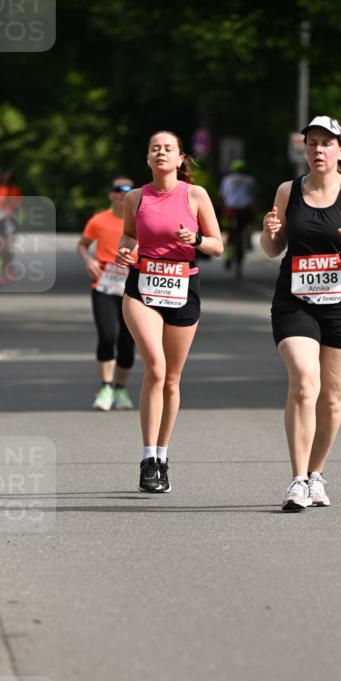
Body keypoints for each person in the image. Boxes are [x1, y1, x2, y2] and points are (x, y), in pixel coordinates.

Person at [261, 115, 341, 512]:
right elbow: (273, 249)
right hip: (295, 301)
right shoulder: (288, 190)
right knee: (304, 379)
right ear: (305, 149)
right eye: (312, 142)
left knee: (331, 399)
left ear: (340, 150)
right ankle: (298, 480)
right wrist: (269, 232)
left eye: (327, 143)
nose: (319, 150)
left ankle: (316, 474)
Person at [115, 130, 223, 493]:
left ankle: (162, 456)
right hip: (143, 288)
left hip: (183, 287)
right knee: (156, 368)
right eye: (154, 149)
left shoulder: (195, 195)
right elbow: (129, 236)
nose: (161, 153)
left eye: (168, 149)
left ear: (179, 159)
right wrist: (125, 251)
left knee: (172, 379)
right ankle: (147, 458)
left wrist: (196, 240)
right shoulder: (135, 197)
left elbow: (218, 245)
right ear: (148, 158)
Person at [77, 177, 137, 411]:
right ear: (111, 195)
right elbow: (82, 245)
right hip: (104, 286)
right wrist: (88, 260)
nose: (123, 194)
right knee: (107, 336)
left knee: (127, 341)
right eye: (118, 190)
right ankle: (105, 388)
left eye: (128, 191)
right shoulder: (99, 220)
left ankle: (120, 389)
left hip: (134, 287)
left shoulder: (142, 220)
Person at [219, 159, 257, 278]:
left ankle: (228, 257)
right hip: (245, 210)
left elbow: (223, 196)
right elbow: (253, 196)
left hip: (231, 211)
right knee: (247, 228)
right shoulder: (250, 180)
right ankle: (248, 242)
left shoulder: (227, 179)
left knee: (230, 234)